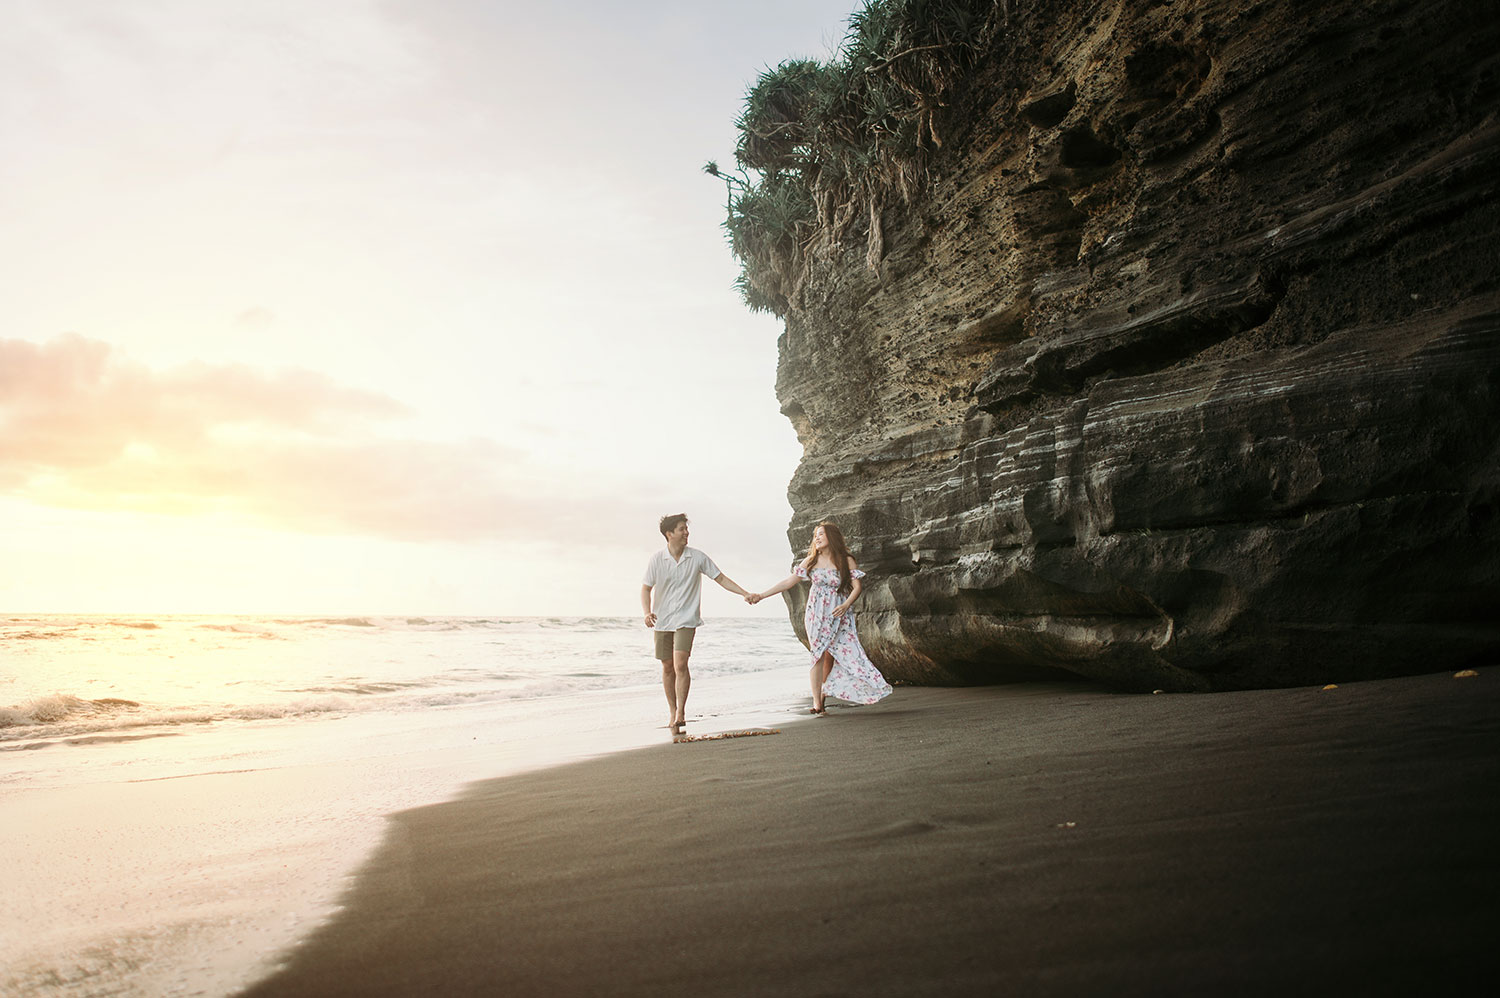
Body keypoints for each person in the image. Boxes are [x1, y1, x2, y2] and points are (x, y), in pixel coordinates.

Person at [748, 521, 893, 713]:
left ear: (831, 537)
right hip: (816, 614)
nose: (816, 538)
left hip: (840, 613)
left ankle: (833, 688)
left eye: (821, 534)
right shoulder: (810, 561)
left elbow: (857, 587)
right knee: (817, 655)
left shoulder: (845, 560)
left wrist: (846, 604)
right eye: (815, 535)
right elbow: (788, 582)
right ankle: (817, 702)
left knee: (851, 653)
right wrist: (761, 595)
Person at [641, 513, 754, 733]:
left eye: (686, 528)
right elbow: (646, 588)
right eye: (681, 529)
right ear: (669, 534)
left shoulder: (697, 557)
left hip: (686, 618)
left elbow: (720, 578)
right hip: (663, 621)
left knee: (680, 664)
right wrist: (647, 613)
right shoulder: (656, 559)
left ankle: (681, 712)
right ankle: (672, 711)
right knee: (667, 667)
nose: (686, 533)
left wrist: (744, 593)